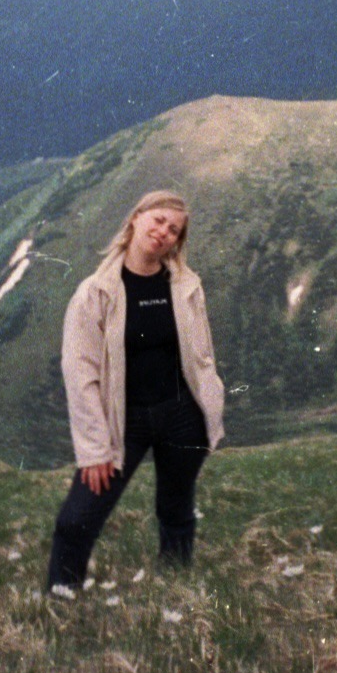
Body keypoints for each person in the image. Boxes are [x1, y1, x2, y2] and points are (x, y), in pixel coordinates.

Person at [46, 190, 225, 592]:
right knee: (78, 517)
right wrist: (94, 449)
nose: (163, 232)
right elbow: (80, 373)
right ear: (135, 219)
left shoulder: (185, 286)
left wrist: (210, 405)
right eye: (158, 220)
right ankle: (61, 598)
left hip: (182, 417)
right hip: (124, 420)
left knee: (176, 508)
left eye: (173, 230)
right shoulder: (94, 293)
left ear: (177, 242)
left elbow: (202, 354)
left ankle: (175, 585)